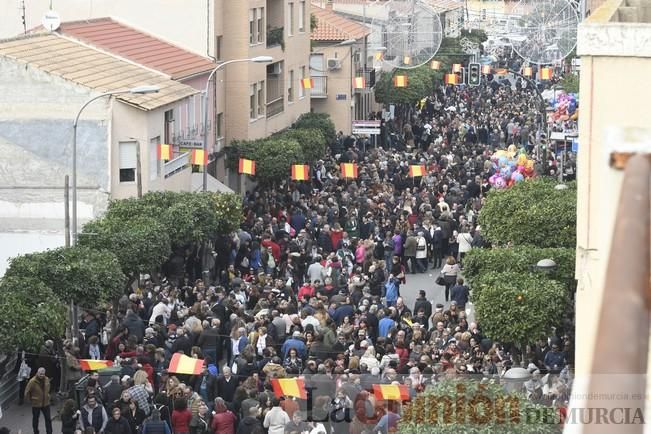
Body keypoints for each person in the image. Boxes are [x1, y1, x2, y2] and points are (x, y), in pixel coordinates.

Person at [24, 367, 53, 434]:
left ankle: (49, 432)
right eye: (40, 374)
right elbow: (27, 392)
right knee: (35, 419)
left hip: (46, 403)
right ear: (37, 373)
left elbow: (48, 388)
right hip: (36, 403)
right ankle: (36, 432)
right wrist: (31, 400)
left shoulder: (46, 379)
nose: (41, 375)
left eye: (43, 374)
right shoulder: (32, 381)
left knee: (48, 419)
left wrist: (48, 395)